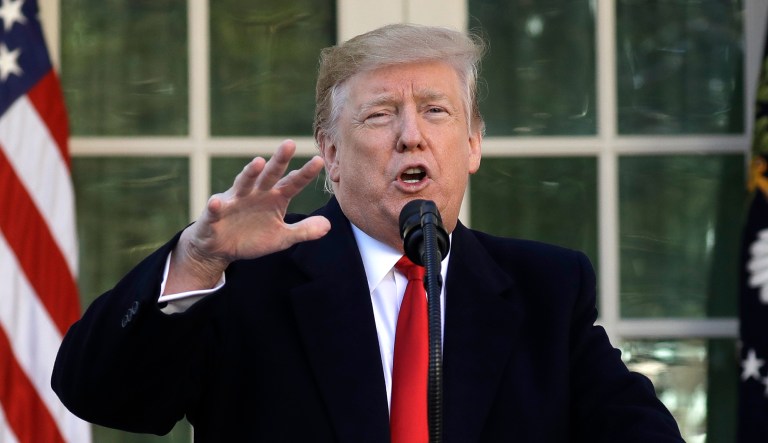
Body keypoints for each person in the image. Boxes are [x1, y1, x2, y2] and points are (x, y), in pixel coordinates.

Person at [52, 23, 684, 442]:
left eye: (435, 111)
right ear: (330, 150)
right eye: (381, 115)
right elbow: (100, 395)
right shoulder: (247, 277)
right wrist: (196, 259)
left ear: (472, 144)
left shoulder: (547, 288)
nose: (411, 135)